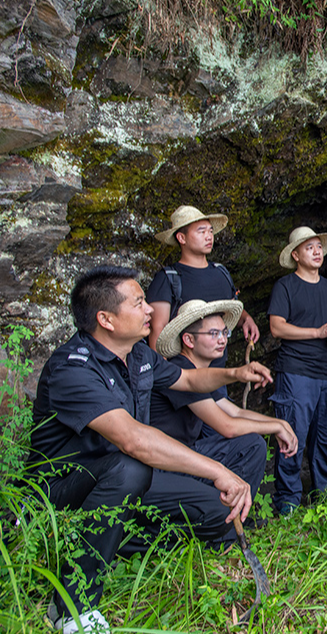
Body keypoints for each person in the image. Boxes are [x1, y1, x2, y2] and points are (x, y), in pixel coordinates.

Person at [25, 266, 272, 633]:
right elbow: (133, 440)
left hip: (127, 479)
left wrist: (233, 374)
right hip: (64, 489)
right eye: (139, 302)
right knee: (130, 466)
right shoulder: (72, 367)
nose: (151, 311)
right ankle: (71, 605)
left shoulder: (139, 356)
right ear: (106, 319)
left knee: (214, 514)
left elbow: (187, 378)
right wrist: (218, 470)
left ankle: (114, 542)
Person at [137, 299, 299, 551]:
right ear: (189, 341)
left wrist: (279, 423)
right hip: (166, 467)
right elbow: (228, 426)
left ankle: (227, 521)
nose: (223, 339)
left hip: (187, 456)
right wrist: (275, 428)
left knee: (251, 443)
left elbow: (234, 411)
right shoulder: (180, 369)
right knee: (251, 444)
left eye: (225, 332)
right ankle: (222, 533)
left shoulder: (201, 373)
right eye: (213, 333)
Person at [268, 226, 327, 515]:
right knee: (293, 437)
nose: (317, 252)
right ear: (295, 255)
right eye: (309, 248)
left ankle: (323, 496)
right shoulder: (285, 286)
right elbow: (277, 327)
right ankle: (288, 501)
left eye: (319, 247)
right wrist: (316, 332)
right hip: (295, 372)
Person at [146, 205, 260, 356]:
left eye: (210, 231)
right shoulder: (168, 278)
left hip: (219, 369)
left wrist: (246, 319)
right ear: (182, 238)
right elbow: (157, 331)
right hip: (183, 371)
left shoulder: (221, 272)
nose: (209, 236)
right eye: (201, 231)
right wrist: (165, 375)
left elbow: (230, 310)